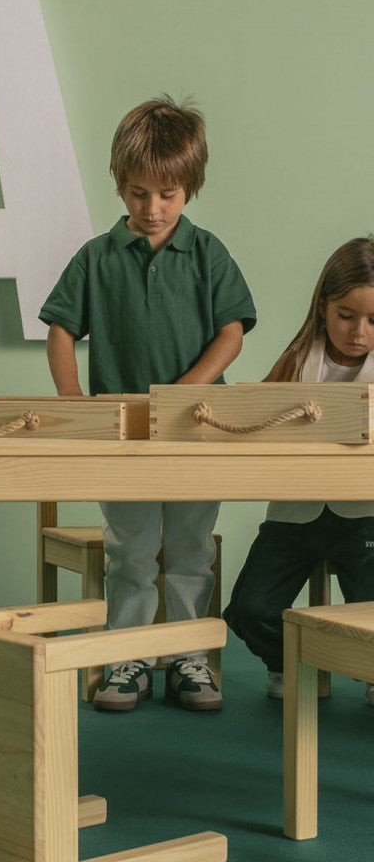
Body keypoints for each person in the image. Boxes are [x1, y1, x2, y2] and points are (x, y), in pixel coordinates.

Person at [38, 95, 256, 712]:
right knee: (130, 548)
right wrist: (75, 403)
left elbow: (232, 330)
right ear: (119, 184)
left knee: (190, 546)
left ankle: (188, 655)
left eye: (168, 195)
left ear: (190, 189)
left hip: (198, 428)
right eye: (138, 193)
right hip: (124, 433)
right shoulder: (95, 257)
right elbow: (60, 330)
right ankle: (126, 652)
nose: (152, 208)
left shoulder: (208, 252)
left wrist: (188, 392)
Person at [224, 237, 374, 706]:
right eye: (346, 316)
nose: (359, 333)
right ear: (323, 307)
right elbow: (259, 421)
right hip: (295, 514)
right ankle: (291, 663)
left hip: (364, 516)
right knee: (248, 609)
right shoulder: (296, 361)